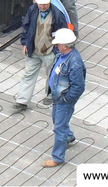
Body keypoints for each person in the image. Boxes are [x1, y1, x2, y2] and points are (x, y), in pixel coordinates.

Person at [13, 0, 69, 111]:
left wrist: (60, 50)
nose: (43, 6)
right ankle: (22, 101)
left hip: (51, 52)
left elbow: (63, 33)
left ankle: (50, 95)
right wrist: (25, 43)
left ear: (50, 1)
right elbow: (26, 28)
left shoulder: (57, 15)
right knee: (28, 74)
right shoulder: (32, 10)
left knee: (53, 75)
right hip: (34, 50)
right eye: (40, 4)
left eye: (45, 3)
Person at [42, 28, 86, 168]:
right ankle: (69, 137)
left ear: (65, 45)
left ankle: (58, 157)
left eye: (58, 43)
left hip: (63, 100)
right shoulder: (63, 54)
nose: (56, 45)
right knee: (57, 119)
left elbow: (78, 87)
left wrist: (67, 99)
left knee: (59, 127)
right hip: (58, 97)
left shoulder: (75, 62)